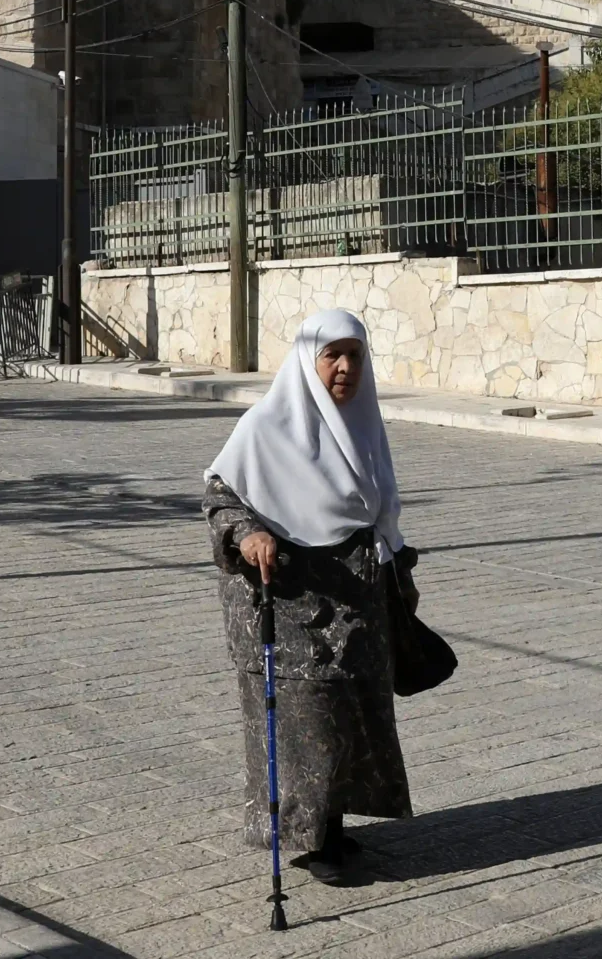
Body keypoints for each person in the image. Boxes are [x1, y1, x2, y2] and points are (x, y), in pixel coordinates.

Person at [205, 309, 414, 885]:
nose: (345, 367)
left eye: (355, 355)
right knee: (304, 724)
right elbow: (220, 497)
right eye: (332, 355)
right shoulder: (263, 428)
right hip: (289, 602)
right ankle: (307, 838)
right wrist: (250, 535)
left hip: (356, 603)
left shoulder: (363, 424)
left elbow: (382, 511)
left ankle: (335, 824)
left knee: (352, 719)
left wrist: (400, 572)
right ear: (307, 359)